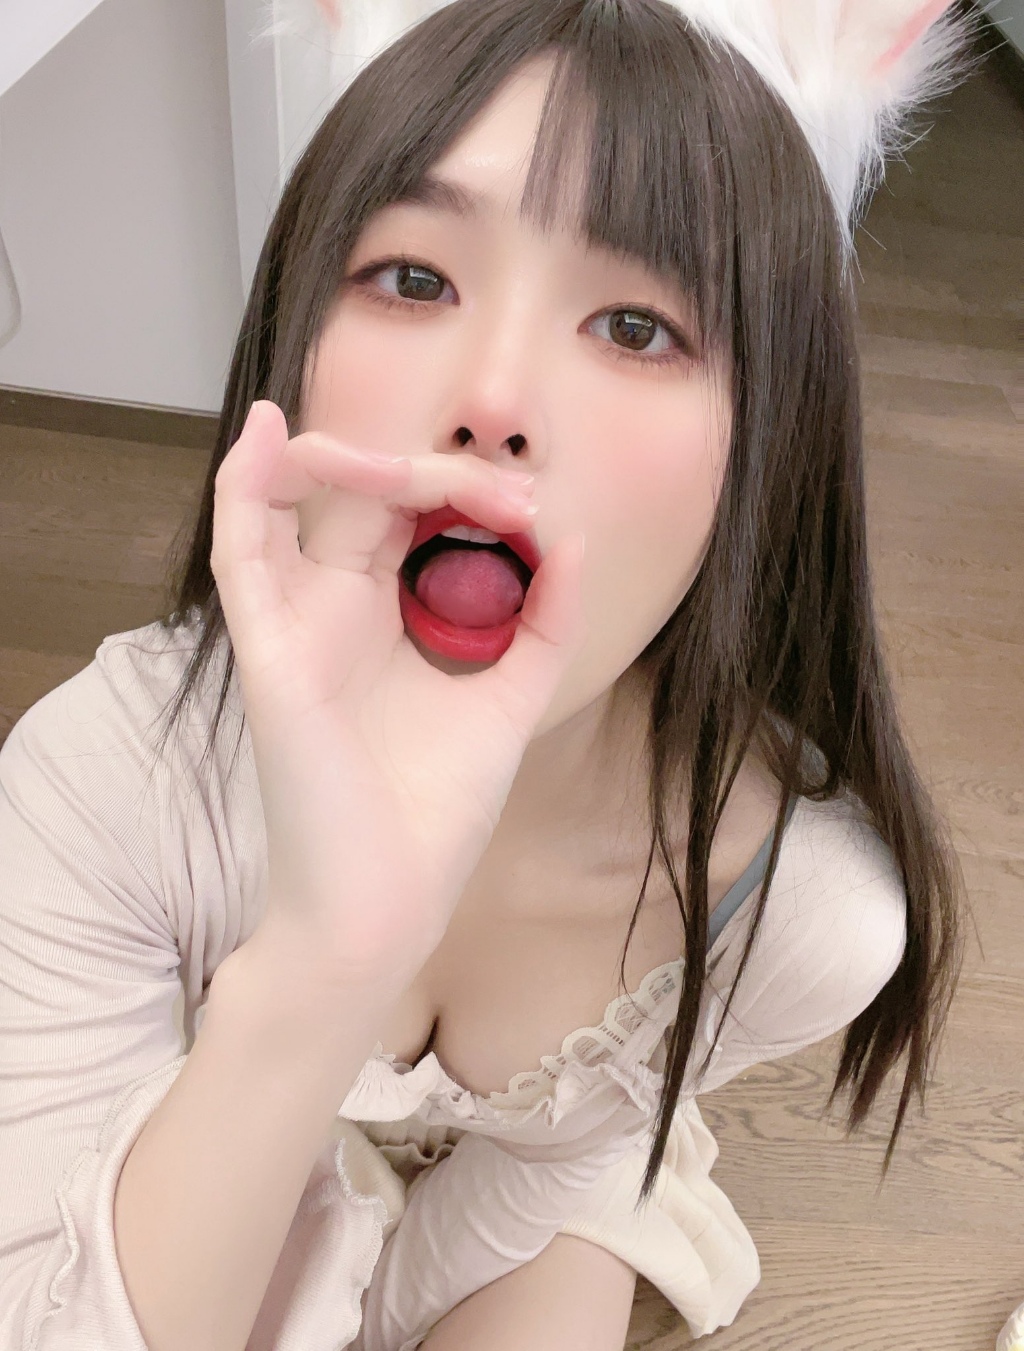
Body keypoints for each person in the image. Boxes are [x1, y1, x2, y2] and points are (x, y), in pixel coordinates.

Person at [0, 2, 975, 1349]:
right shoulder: (103, 784)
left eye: (635, 325)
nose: (495, 399)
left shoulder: (795, 914)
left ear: (771, 446)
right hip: (167, 1131)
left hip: (528, 1187)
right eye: (413, 279)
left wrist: (370, 1299)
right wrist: (328, 959)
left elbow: (554, 1171)